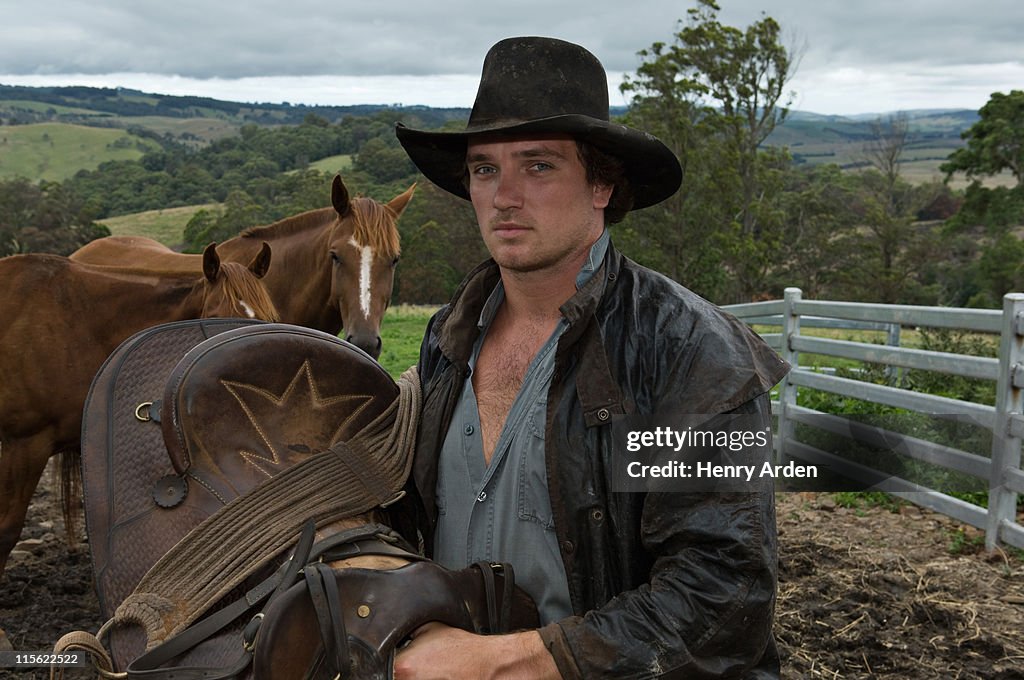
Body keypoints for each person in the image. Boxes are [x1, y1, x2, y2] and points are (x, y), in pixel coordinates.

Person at [389, 36, 789, 679]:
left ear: (602, 183)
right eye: (485, 168)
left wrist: (507, 662)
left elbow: (721, 593)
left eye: (538, 166)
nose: (504, 195)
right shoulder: (448, 336)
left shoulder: (689, 354)